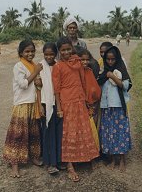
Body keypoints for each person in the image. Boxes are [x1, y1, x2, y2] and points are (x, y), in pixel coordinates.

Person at [52, 37, 99, 182]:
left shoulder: (78, 63)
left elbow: (84, 79)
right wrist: (59, 109)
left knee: (83, 130)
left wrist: (86, 100)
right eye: (63, 50)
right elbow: (57, 90)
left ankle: (86, 158)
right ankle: (70, 166)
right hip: (67, 103)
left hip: (79, 101)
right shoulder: (58, 67)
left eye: (68, 49)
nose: (66, 52)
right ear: (59, 51)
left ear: (71, 48)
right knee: (69, 134)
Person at [3, 40, 43, 178]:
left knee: (33, 133)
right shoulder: (18, 66)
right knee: (18, 135)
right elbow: (24, 84)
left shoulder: (33, 65)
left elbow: (37, 83)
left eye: (32, 51)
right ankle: (15, 164)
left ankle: (33, 157)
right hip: (22, 104)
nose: (30, 53)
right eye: (27, 51)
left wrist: (39, 80)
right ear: (21, 53)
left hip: (33, 103)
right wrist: (36, 72)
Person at [99, 46, 132, 172]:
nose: (110, 62)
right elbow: (99, 84)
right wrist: (106, 76)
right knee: (109, 133)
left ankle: (123, 160)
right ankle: (113, 159)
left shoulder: (121, 70)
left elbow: (125, 86)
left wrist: (112, 77)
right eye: (108, 59)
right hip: (107, 107)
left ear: (117, 59)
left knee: (120, 133)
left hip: (118, 107)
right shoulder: (104, 72)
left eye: (113, 59)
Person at [39, 42, 63, 174]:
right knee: (48, 133)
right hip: (46, 104)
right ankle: (50, 163)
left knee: (58, 133)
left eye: (51, 54)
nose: (49, 57)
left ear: (55, 54)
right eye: (46, 54)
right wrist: (40, 106)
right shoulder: (40, 66)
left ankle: (59, 160)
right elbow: (37, 88)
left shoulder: (58, 65)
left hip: (58, 103)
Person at [76, 48, 101, 149]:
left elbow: (94, 89)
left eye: (87, 60)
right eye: (82, 60)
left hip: (90, 105)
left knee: (90, 129)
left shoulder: (89, 71)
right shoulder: (74, 73)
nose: (85, 62)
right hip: (78, 105)